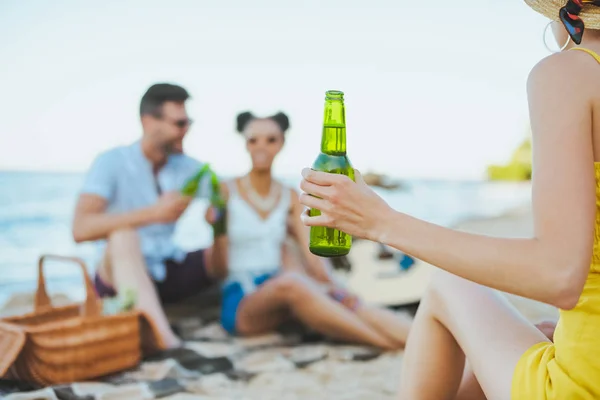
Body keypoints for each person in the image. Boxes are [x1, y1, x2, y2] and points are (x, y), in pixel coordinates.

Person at [298, 1, 600, 398]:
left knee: (448, 286)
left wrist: (381, 221)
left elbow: (559, 276)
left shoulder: (571, 72)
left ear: (570, 13)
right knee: (539, 334)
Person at [206, 111, 412, 350]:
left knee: (339, 296)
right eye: (254, 140)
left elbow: (310, 250)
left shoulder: (289, 195)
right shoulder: (224, 191)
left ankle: (416, 342)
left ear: (281, 143)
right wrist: (216, 232)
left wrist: (334, 284)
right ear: (245, 143)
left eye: (271, 140)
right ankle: (386, 344)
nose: (261, 146)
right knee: (293, 283)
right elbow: (218, 270)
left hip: (283, 292)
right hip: (243, 298)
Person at [72, 83, 227, 349]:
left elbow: (225, 194)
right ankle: (165, 342)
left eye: (188, 121)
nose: (185, 129)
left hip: (169, 268)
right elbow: (80, 229)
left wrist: (219, 214)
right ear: (148, 121)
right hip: (120, 275)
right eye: (179, 123)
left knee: (224, 243)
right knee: (122, 236)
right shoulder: (112, 162)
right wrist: (153, 214)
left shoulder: (190, 168)